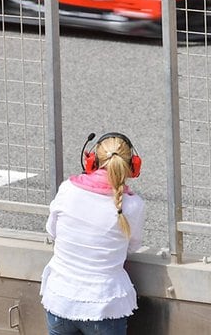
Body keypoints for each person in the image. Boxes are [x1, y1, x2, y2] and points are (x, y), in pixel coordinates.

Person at [40, 132, 147, 335]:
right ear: (133, 165)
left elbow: (51, 231)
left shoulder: (67, 190)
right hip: (104, 305)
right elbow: (132, 246)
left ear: (90, 161)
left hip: (60, 299)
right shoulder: (133, 205)